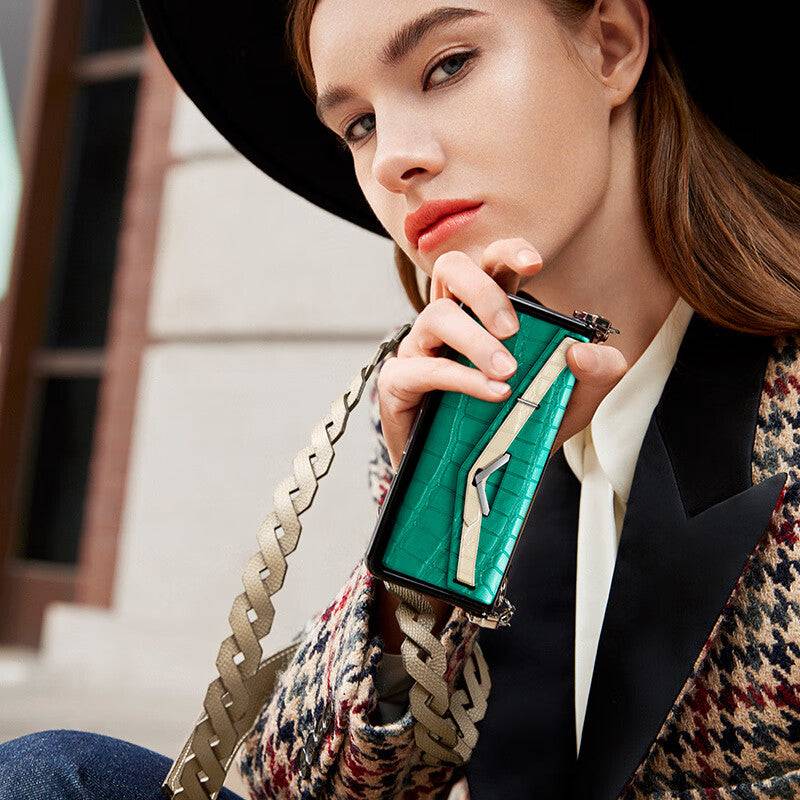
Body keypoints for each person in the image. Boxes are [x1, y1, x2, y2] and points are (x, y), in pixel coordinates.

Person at [1, 0, 798, 798]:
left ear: (611, 46)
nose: (392, 161)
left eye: (447, 66)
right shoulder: (445, 394)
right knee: (50, 777)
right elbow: (300, 787)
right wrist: (432, 520)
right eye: (358, 125)